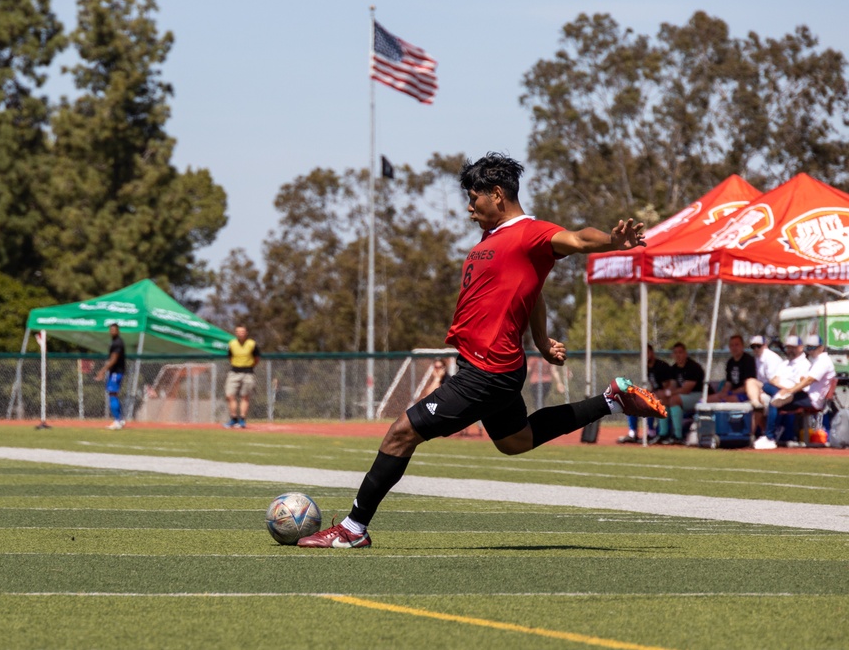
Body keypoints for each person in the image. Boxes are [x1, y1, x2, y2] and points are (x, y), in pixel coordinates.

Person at [296, 152, 666, 549]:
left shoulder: (531, 232)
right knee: (515, 441)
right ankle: (612, 400)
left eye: (474, 199)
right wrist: (540, 341)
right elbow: (534, 291)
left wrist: (612, 242)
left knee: (400, 434)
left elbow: (577, 239)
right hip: (490, 366)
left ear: (497, 194)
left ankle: (352, 529)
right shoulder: (492, 239)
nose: (470, 209)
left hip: (488, 371)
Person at [754, 334, 835, 450]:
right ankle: (769, 436)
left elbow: (809, 380)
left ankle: (769, 438)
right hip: (807, 395)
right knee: (774, 395)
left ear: (821, 348)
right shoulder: (816, 361)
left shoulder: (822, 361)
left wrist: (791, 390)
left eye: (813, 348)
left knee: (775, 402)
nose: (811, 351)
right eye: (809, 348)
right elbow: (804, 380)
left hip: (812, 399)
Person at [652, 342, 705, 445]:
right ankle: (663, 434)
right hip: (681, 396)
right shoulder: (674, 368)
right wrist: (665, 393)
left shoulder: (693, 367)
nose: (678, 355)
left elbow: (686, 389)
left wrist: (669, 393)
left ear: (685, 353)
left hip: (698, 396)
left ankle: (678, 436)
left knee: (674, 399)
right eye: (675, 353)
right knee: (662, 400)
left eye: (680, 352)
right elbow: (672, 385)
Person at [619, 344, 673, 443]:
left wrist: (656, 394)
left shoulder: (661, 366)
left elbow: (668, 386)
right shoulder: (647, 368)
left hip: (665, 396)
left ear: (652, 353)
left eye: (647, 352)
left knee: (649, 401)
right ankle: (633, 432)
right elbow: (653, 385)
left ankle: (651, 432)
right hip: (655, 394)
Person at [224, 325, 260, 429]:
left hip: (248, 372)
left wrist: (249, 366)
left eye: (243, 331)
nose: (241, 333)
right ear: (236, 333)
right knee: (229, 395)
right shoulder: (232, 344)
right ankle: (233, 418)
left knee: (245, 396)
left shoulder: (252, 344)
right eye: (238, 332)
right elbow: (230, 357)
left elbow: (257, 358)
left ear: (246, 332)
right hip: (234, 372)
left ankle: (242, 420)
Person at [94, 323, 126, 430]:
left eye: (114, 329)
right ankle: (120, 420)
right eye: (110, 329)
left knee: (112, 394)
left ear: (118, 331)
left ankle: (117, 421)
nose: (112, 331)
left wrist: (102, 371)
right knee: (114, 394)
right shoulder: (114, 342)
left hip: (116, 372)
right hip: (115, 372)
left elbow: (114, 359)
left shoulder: (117, 343)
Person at [707, 334, 756, 402]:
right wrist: (723, 393)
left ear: (742, 346)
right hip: (732, 393)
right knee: (705, 400)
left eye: (737, 345)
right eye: (732, 345)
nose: (734, 348)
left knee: (724, 401)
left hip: (746, 394)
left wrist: (731, 393)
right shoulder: (730, 362)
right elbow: (728, 383)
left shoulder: (748, 361)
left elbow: (747, 386)